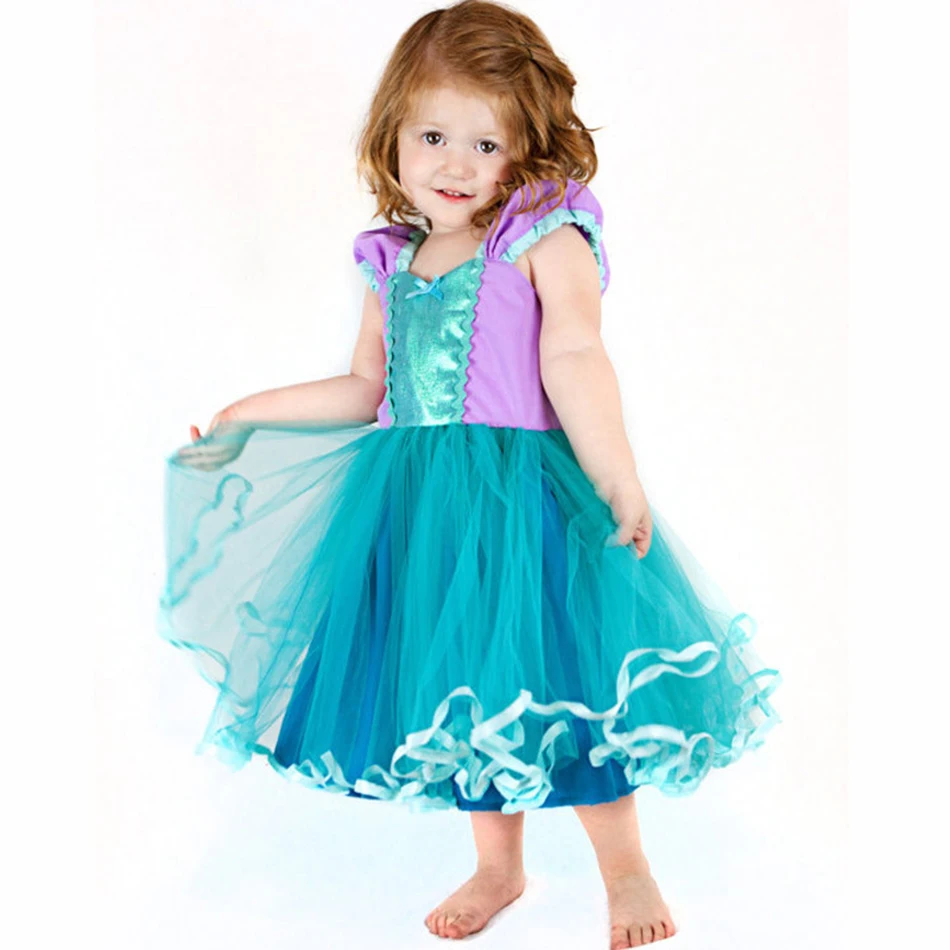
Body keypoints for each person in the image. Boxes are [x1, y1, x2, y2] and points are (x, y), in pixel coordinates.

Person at [159, 1, 782, 946]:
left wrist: (617, 475)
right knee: (465, 690)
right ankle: (499, 867)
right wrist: (248, 412)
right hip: (419, 512)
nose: (455, 164)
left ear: (526, 147)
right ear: (393, 136)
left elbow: (575, 354)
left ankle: (626, 868)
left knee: (565, 679)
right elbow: (366, 387)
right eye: (433, 137)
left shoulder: (540, 237)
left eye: (486, 145)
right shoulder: (391, 260)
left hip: (521, 503)